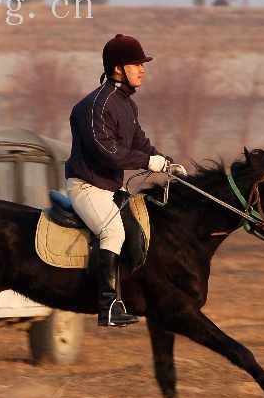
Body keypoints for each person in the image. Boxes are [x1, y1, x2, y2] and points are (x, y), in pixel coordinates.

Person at [65, 34, 186, 327]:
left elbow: (140, 142)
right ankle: (107, 307)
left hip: (109, 189)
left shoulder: (127, 105)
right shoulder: (96, 105)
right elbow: (108, 153)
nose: (142, 69)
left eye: (142, 64)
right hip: (87, 187)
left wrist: (166, 162)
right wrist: (147, 163)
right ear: (117, 69)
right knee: (113, 234)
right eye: (136, 64)